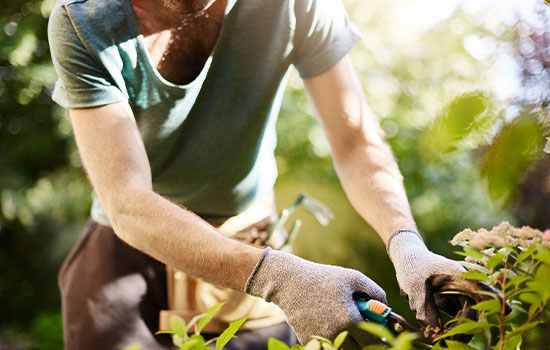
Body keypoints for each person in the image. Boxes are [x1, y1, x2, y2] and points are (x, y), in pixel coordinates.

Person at [47, 0, 466, 348]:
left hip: (247, 239)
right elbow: (127, 202)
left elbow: (355, 139)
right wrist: (280, 277)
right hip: (125, 256)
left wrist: (406, 244)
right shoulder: (84, 23)